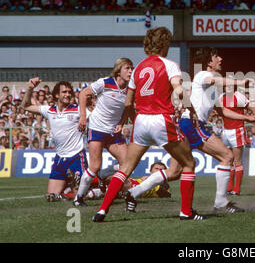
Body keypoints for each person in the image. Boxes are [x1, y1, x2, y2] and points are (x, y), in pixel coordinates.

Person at [93, 27, 205, 222]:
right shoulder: (168, 65)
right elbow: (179, 90)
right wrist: (192, 110)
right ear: (163, 44)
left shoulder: (138, 69)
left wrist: (136, 117)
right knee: (188, 163)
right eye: (168, 43)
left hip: (141, 121)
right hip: (161, 119)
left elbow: (128, 103)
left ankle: (102, 210)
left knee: (125, 168)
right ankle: (186, 212)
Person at [176, 47, 255, 213]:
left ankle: (133, 193)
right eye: (216, 57)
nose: (220, 59)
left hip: (190, 123)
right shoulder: (203, 76)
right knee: (227, 156)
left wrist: (247, 118)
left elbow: (222, 111)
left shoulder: (211, 86)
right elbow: (216, 81)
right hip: (193, 124)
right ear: (209, 62)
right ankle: (221, 202)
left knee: (174, 171)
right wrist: (240, 82)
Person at [73, 58, 133, 207]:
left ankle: (106, 183)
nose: (131, 71)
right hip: (97, 128)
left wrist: (121, 123)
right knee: (94, 166)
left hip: (113, 131)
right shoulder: (105, 82)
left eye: (131, 68)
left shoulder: (131, 89)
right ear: (119, 70)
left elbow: (128, 108)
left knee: (128, 163)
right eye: (127, 68)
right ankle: (78, 198)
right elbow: (83, 94)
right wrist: (82, 117)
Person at [22, 78, 88, 201]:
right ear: (57, 95)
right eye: (64, 92)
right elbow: (25, 106)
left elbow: (97, 116)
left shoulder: (78, 110)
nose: (68, 94)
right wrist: (30, 88)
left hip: (76, 157)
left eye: (69, 92)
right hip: (59, 159)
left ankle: (95, 188)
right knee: (50, 197)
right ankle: (69, 186)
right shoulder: (49, 110)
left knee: (80, 197)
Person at [220, 85, 255, 196]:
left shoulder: (239, 96)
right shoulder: (221, 97)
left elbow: (254, 109)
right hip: (226, 131)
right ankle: (229, 187)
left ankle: (236, 189)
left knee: (237, 161)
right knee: (229, 160)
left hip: (237, 130)